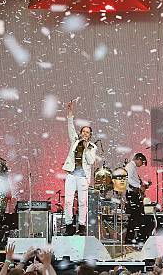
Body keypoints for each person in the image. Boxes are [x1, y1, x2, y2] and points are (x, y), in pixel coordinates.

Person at [62, 100, 97, 236]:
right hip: (72, 174)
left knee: (83, 202)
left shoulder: (92, 147)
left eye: (88, 133)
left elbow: (90, 160)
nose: (85, 134)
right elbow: (70, 127)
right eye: (84, 132)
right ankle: (69, 225)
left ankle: (82, 225)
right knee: (68, 201)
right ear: (81, 133)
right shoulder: (75, 142)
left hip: (82, 176)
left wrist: (87, 147)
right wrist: (70, 113)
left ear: (90, 135)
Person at [124, 152, 149, 245]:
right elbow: (128, 179)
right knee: (135, 217)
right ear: (138, 159)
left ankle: (134, 239)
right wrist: (139, 187)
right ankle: (131, 239)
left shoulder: (132, 167)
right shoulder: (130, 166)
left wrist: (141, 186)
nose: (141, 165)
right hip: (132, 194)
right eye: (142, 162)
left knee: (136, 217)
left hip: (134, 194)